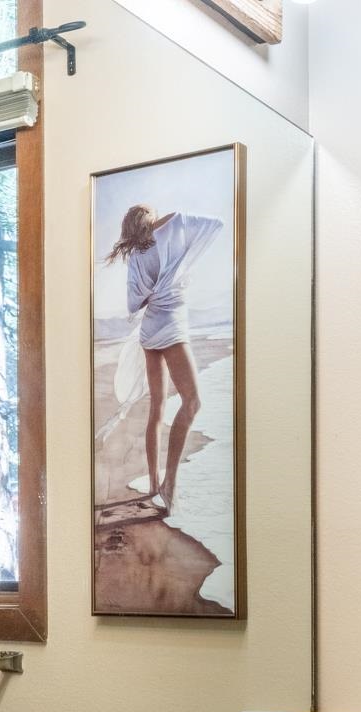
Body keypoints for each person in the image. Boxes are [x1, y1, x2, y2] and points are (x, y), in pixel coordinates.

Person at [104, 204, 224, 512]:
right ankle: (170, 482)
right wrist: (170, 218)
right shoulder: (171, 232)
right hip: (170, 328)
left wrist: (154, 291)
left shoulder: (136, 257)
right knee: (193, 401)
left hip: (150, 332)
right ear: (149, 220)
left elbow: (133, 304)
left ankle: (156, 481)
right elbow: (213, 222)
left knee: (157, 408)